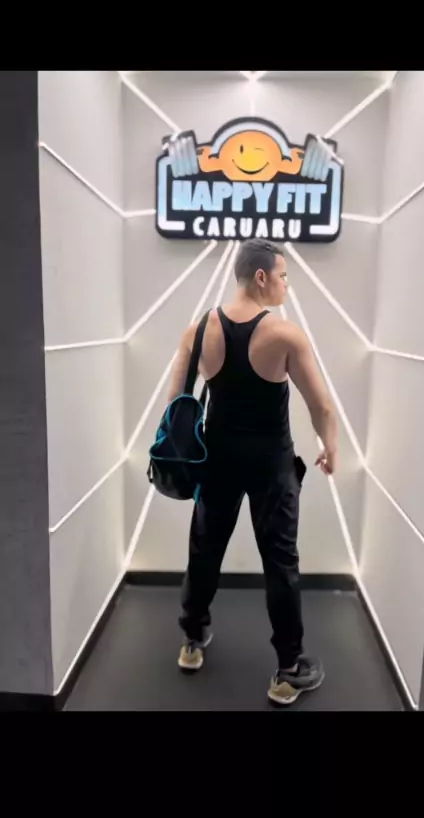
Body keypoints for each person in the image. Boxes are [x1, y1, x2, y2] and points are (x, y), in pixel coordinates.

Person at [166, 238, 338, 705]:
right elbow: (322, 406)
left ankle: (192, 641)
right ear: (261, 277)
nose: (286, 284)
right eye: (283, 276)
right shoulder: (285, 335)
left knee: (204, 550)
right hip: (271, 467)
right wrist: (331, 446)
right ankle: (288, 670)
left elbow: (175, 403)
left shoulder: (198, 330)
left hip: (217, 462)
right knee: (280, 562)